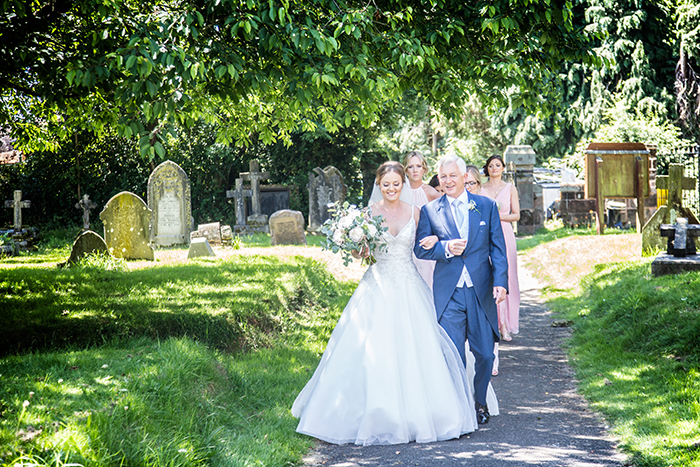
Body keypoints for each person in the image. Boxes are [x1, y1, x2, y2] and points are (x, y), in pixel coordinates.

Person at [292, 161, 498, 446]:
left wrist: (446, 247)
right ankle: (372, 412)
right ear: (379, 185)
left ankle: (435, 410)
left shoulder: (417, 212)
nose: (391, 188)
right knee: (372, 349)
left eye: (396, 184)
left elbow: (425, 245)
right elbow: (358, 256)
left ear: (403, 185)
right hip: (377, 285)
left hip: (410, 285)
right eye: (386, 184)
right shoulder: (365, 215)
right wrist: (355, 246)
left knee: (420, 348)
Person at [414, 154, 508, 425]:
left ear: (464, 177)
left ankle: (480, 401)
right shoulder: (431, 211)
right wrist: (444, 248)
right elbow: (420, 248)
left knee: (485, 354)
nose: (448, 181)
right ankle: (459, 408)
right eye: (443, 177)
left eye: (453, 175)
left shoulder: (486, 206)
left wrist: (500, 281)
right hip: (449, 293)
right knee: (453, 355)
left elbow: (497, 248)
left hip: (480, 290)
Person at [481, 155, 521, 343]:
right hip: (486, 235)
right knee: (489, 277)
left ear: (503, 168)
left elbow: (517, 216)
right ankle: (493, 322)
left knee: (508, 277)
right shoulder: (481, 189)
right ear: (487, 169)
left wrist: (497, 217)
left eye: (498, 165)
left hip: (505, 233)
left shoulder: (510, 188)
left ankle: (507, 324)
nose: (494, 168)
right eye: (491, 165)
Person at [403, 151, 440, 288]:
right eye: (411, 166)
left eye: (418, 166)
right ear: (406, 169)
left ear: (424, 168)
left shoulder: (430, 192)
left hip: (423, 246)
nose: (415, 170)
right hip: (404, 246)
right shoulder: (399, 192)